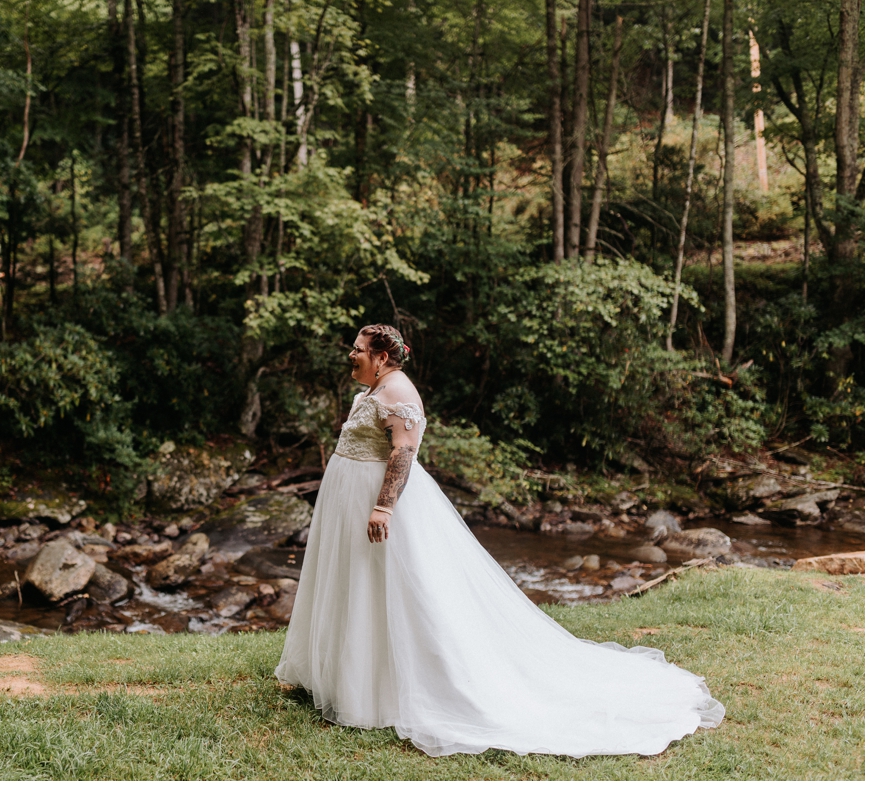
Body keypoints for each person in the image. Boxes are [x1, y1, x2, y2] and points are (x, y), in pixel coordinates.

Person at [275, 324, 724, 757]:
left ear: (383, 357)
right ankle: (335, 675)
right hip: (347, 500)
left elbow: (403, 451)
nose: (351, 354)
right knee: (350, 582)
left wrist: (383, 506)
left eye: (357, 349)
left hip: (379, 504)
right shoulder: (372, 389)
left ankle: (382, 688)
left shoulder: (399, 392)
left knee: (388, 589)